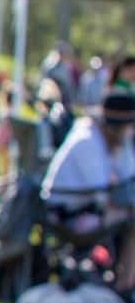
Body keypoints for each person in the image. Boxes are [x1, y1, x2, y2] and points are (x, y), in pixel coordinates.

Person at [43, 90, 135, 292]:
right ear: (115, 126)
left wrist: (124, 148)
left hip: (86, 209)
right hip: (68, 217)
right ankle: (126, 285)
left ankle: (125, 281)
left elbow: (128, 175)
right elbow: (103, 193)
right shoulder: (87, 141)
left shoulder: (109, 142)